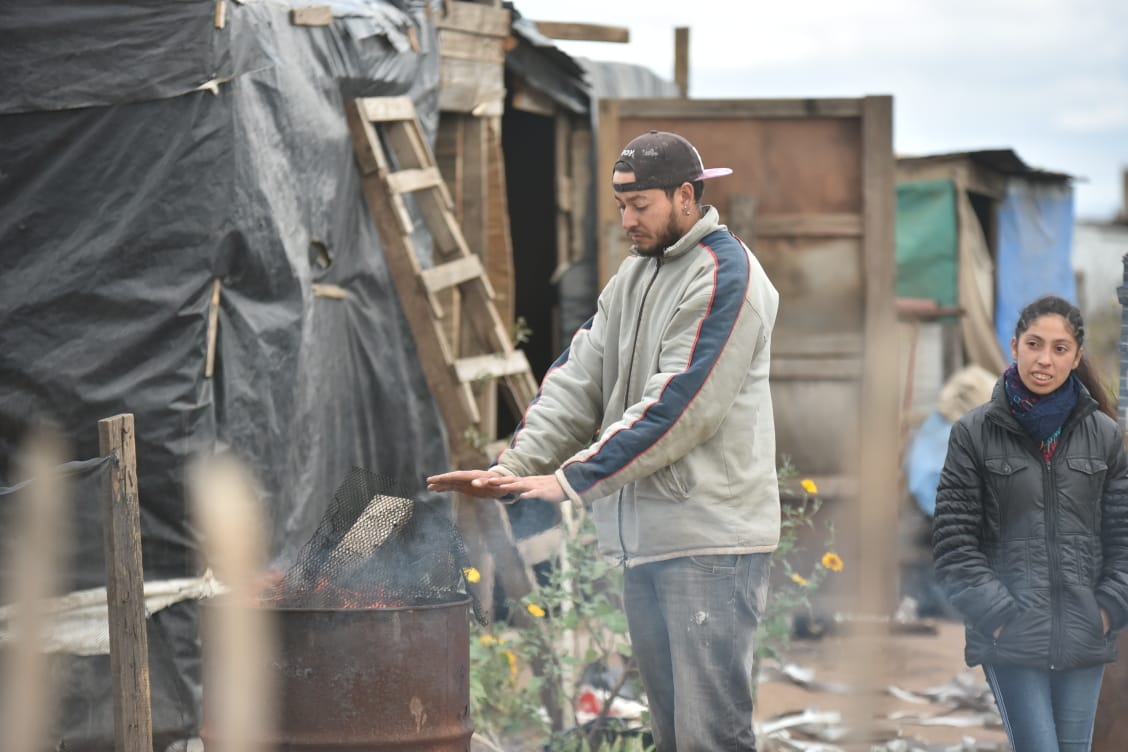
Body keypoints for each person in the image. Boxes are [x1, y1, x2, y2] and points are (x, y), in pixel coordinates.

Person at [428, 130, 780, 751]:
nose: (626, 220)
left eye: (640, 205)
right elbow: (577, 378)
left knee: (712, 738)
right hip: (646, 541)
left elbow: (681, 405)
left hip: (710, 542)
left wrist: (570, 480)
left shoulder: (728, 277)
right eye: (621, 205)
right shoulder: (634, 276)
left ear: (686, 196)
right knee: (672, 736)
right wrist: (513, 470)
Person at [931, 294, 1128, 752]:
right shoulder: (974, 434)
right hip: (1012, 642)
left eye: (1060, 349)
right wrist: (1000, 620)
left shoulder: (1104, 436)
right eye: (1035, 344)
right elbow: (954, 545)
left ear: (1077, 357)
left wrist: (1105, 612)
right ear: (1014, 345)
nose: (1045, 359)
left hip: (1085, 638)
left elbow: (1123, 538)